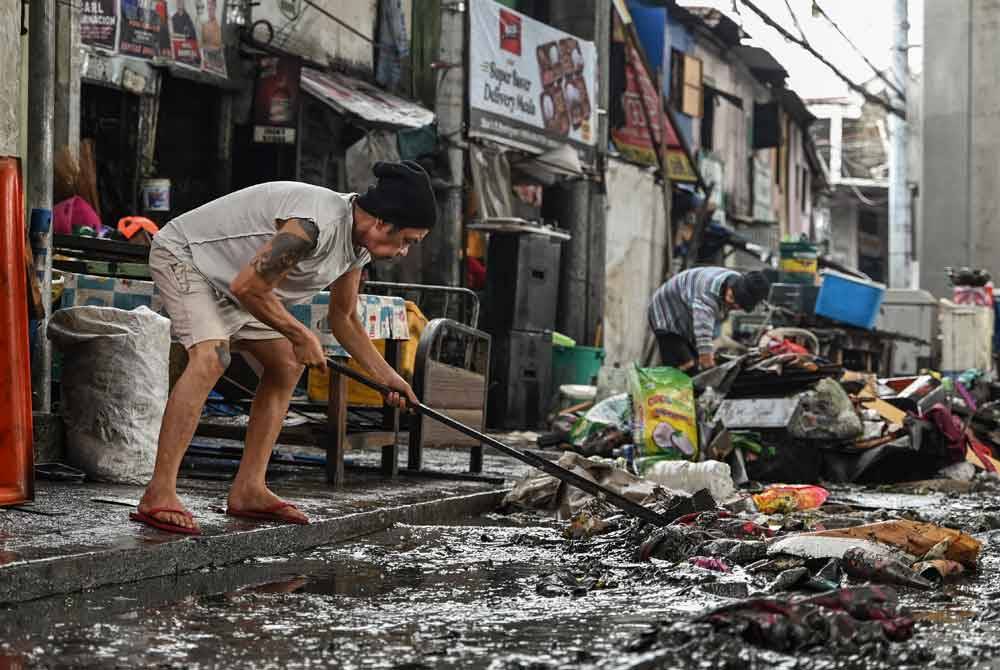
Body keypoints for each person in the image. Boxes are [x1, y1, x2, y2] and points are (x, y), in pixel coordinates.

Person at [132, 161, 436, 535]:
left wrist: (387, 377)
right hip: (187, 258)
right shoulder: (313, 224)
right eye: (407, 241)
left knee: (288, 364)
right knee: (211, 358)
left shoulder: (357, 247)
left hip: (234, 283)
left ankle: (249, 489)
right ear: (382, 223)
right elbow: (249, 287)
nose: (404, 252)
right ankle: (159, 493)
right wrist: (300, 334)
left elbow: (344, 318)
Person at [648, 267, 770, 372]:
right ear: (735, 286)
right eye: (733, 297)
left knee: (693, 365)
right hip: (665, 314)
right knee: (685, 366)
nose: (734, 304)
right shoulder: (708, 292)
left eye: (740, 304)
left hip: (686, 316)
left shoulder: (736, 280)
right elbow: (703, 330)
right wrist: (707, 362)